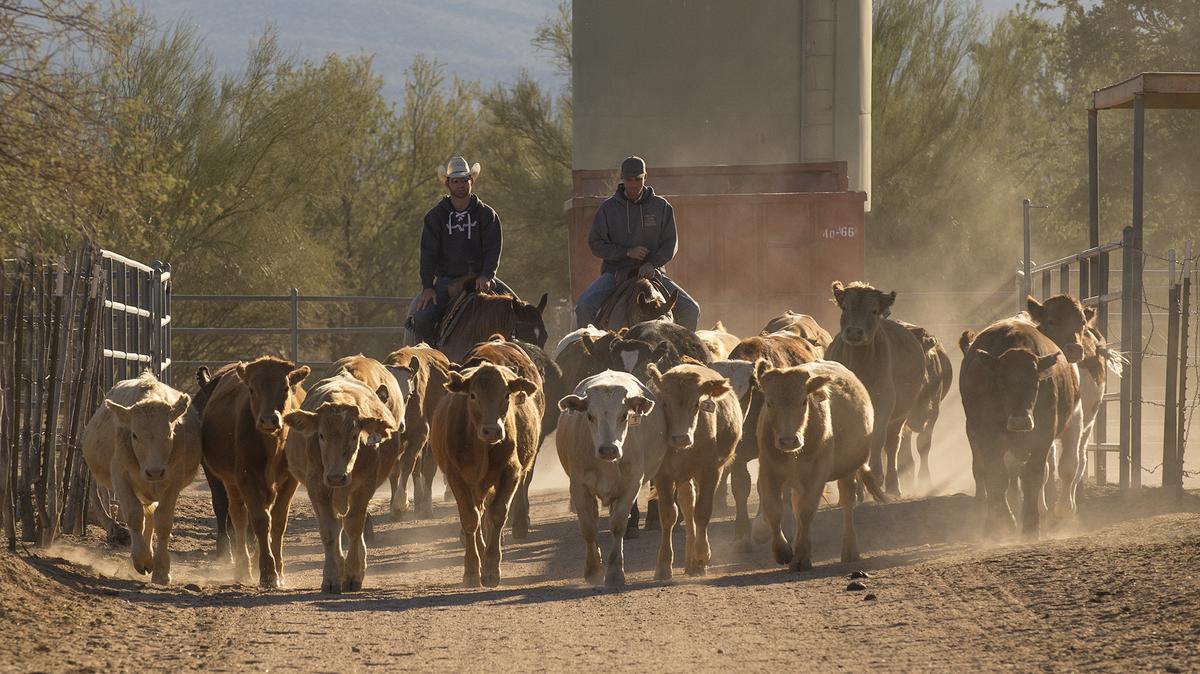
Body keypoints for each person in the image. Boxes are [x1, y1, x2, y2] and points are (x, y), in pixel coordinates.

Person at [574, 155, 700, 331]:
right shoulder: (608, 209)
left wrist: (652, 263)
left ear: (645, 177)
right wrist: (625, 252)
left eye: (638, 179)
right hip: (616, 274)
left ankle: (684, 355)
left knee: (692, 309)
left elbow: (671, 243)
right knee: (584, 307)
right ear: (622, 179)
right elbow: (595, 243)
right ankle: (586, 355)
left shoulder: (661, 207)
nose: (633, 184)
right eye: (629, 179)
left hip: (653, 273)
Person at [411, 156, 512, 344]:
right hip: (446, 281)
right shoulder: (435, 217)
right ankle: (426, 360)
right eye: (455, 181)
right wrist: (427, 286)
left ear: (471, 181)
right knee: (422, 318)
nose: (460, 185)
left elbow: (493, 248)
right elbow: (428, 254)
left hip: (482, 278)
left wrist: (487, 275)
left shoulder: (487, 215)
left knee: (518, 310)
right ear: (448, 184)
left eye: (464, 180)